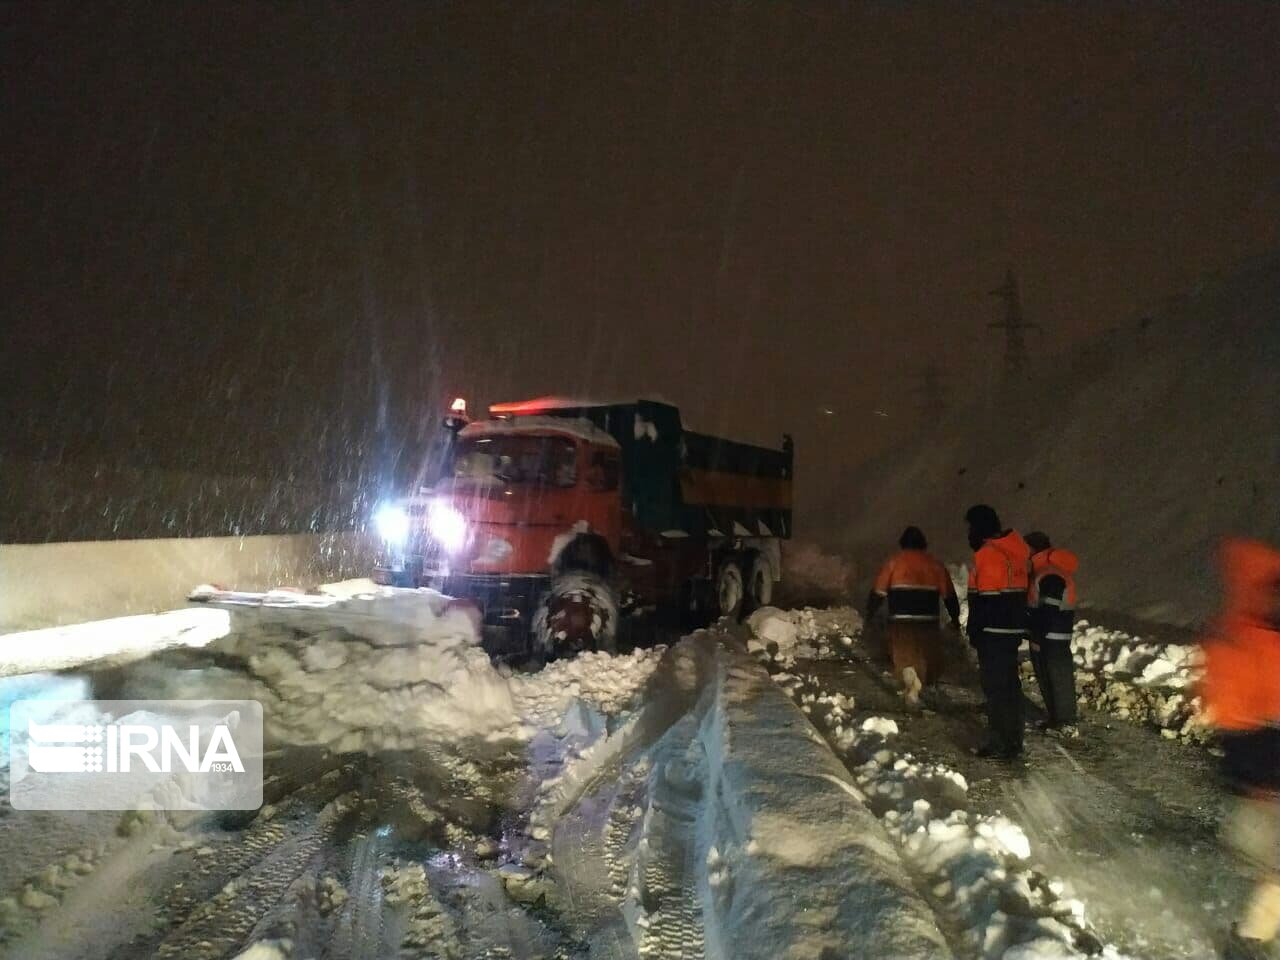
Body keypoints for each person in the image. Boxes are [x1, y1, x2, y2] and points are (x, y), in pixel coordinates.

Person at [1199, 539, 1280, 960]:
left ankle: (1250, 937)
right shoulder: (1240, 640)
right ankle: (1246, 942)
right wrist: (1259, 779)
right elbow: (1235, 717)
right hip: (1261, 774)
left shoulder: (1248, 636)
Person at [865, 526, 961, 706]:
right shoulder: (936, 565)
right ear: (923, 544)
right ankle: (925, 686)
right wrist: (955, 618)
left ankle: (911, 684)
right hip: (928, 623)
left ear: (902, 543)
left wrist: (869, 614)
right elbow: (949, 596)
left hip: (901, 622)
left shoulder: (894, 563)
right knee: (927, 658)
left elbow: (878, 593)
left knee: (905, 657)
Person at [964, 504, 1031, 759]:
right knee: (1010, 685)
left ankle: (1000, 741)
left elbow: (986, 600)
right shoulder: (1015, 552)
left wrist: (976, 630)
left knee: (995, 687)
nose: (968, 533)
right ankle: (1013, 739)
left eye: (971, 527)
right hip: (1011, 629)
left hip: (992, 631)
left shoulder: (988, 555)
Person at [1024, 531, 1080, 733]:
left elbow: (1049, 607)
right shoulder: (1043, 571)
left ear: (1032, 549)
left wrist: (1038, 631)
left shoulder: (1050, 573)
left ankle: (1066, 722)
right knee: (1048, 678)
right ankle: (1057, 719)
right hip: (1048, 635)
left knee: (1057, 678)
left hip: (1051, 636)